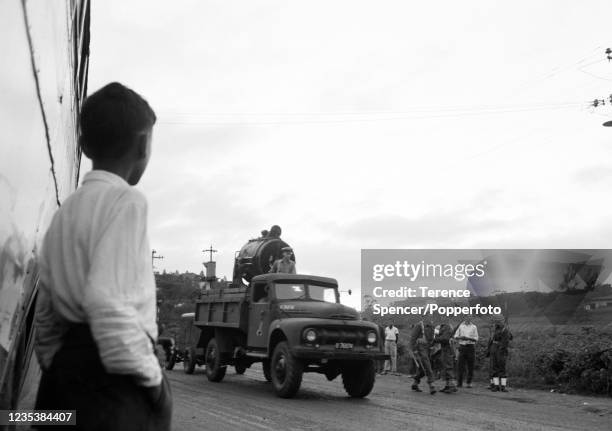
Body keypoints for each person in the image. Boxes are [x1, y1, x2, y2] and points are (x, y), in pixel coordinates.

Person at [33, 82, 171, 430]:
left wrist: (58, 368)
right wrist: (154, 381)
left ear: (82, 145)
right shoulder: (128, 201)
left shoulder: (64, 213)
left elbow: (46, 314)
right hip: (114, 385)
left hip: (62, 381)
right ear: (143, 146)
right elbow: (106, 301)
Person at [410, 319, 436, 394]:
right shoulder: (419, 325)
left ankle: (415, 382)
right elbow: (413, 338)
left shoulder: (432, 326)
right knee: (427, 365)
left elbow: (432, 338)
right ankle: (431, 385)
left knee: (424, 366)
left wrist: (433, 346)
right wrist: (414, 350)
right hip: (420, 348)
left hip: (429, 348)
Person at [487, 315, 513, 392]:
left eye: (500, 321)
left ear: (503, 321)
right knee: (494, 368)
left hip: (501, 350)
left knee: (502, 368)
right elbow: (490, 340)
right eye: (497, 321)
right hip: (494, 349)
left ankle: (503, 386)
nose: (498, 323)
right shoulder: (494, 329)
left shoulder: (505, 330)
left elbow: (509, 338)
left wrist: (501, 350)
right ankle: (496, 385)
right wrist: (489, 350)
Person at [454, 315, 479, 388]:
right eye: (467, 317)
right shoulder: (461, 326)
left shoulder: (474, 327)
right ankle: (459, 382)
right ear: (464, 318)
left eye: (470, 317)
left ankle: (469, 382)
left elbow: (476, 338)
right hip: (462, 347)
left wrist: (468, 338)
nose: (469, 318)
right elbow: (456, 336)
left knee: (470, 365)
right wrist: (460, 337)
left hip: (470, 347)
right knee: (460, 365)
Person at [434, 320, 457, 393]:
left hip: (448, 348)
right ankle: (448, 385)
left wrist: (435, 339)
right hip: (445, 348)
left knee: (448, 366)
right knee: (445, 366)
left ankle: (452, 386)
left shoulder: (446, 326)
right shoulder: (443, 326)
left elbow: (445, 338)